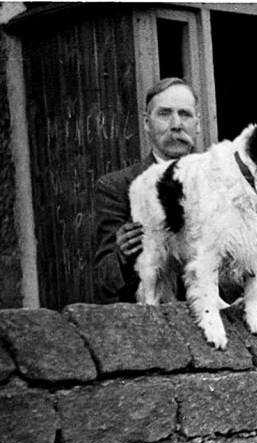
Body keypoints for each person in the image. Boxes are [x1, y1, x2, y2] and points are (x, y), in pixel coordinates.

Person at [93, 77, 199, 303]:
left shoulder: (222, 182)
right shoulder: (118, 187)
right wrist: (122, 256)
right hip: (152, 324)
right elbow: (104, 282)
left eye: (185, 114)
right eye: (164, 113)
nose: (176, 124)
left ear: (198, 124)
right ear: (146, 122)